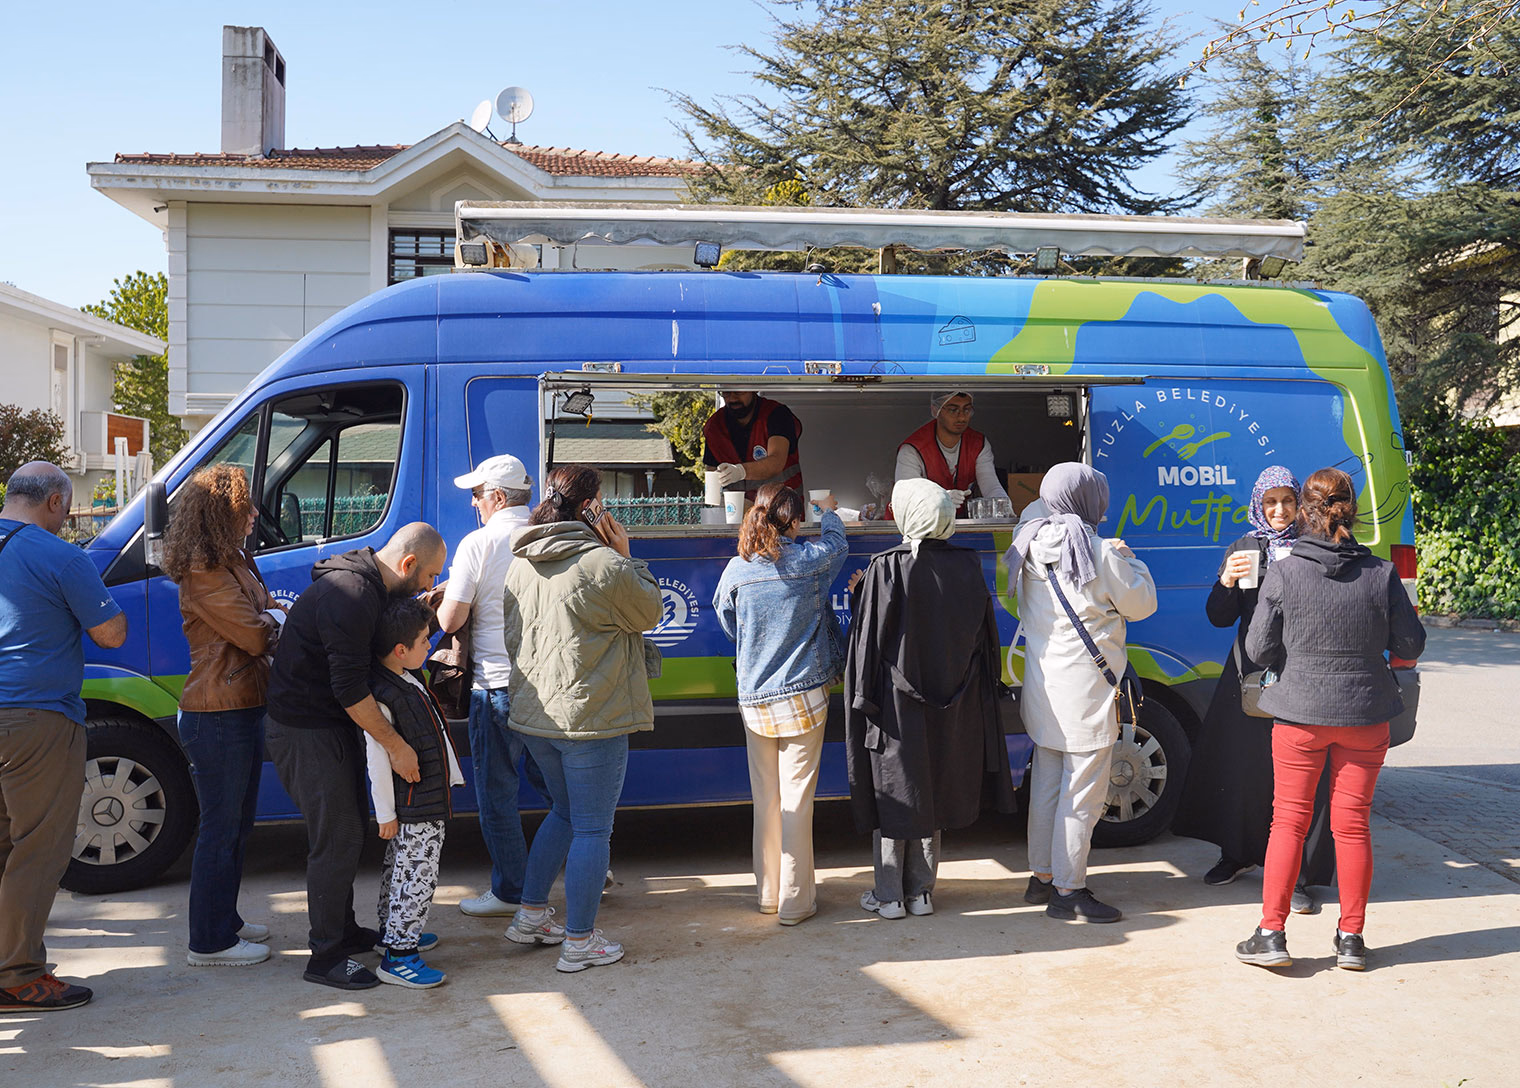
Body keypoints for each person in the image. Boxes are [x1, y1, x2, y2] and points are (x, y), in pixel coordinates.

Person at [1237, 467, 1425, 971]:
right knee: (1354, 825)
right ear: (1351, 510)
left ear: (1305, 511)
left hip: (1298, 716)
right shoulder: (1381, 573)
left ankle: (1272, 933)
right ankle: (1351, 939)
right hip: (1366, 715)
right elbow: (1410, 644)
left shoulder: (1285, 572)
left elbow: (1258, 648)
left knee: (1288, 823)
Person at [265, 522, 447, 990]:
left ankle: (342, 933)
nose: (428, 586)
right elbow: (348, 687)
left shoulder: (367, 586)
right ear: (407, 565)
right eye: (428, 577)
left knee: (346, 834)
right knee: (337, 838)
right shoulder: (351, 594)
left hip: (326, 726)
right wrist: (397, 745)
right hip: (306, 729)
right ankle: (325, 956)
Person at [501, 464, 663, 973]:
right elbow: (650, 611)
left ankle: (530, 917)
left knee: (565, 815)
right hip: (593, 718)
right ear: (592, 507)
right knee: (593, 829)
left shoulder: (521, 561)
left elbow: (510, 637)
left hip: (535, 715)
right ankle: (580, 941)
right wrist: (626, 555)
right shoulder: (603, 564)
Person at [845, 478, 1017, 920]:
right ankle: (921, 892)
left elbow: (870, 642)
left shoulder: (886, 567)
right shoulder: (967, 564)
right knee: (934, 786)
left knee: (896, 791)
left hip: (895, 705)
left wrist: (857, 595)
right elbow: (983, 639)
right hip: (953, 699)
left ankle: (888, 897)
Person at [1172, 467, 1334, 912]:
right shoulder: (1244, 547)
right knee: (1241, 768)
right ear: (1258, 505)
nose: (1280, 511)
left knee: (1298, 774)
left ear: (1300, 502)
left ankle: (1297, 874)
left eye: (1287, 500)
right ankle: (1237, 854)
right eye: (1270, 502)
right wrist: (1225, 582)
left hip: (1302, 672)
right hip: (1248, 675)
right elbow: (1219, 617)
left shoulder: (1313, 546)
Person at [1006, 462, 1157, 924]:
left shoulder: (1029, 542)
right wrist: (1130, 558)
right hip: (1087, 695)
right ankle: (1069, 891)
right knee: (1083, 797)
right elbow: (1143, 603)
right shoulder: (1099, 552)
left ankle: (1043, 877)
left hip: (1044, 688)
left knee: (1047, 787)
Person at [0, 462, 126, 1012]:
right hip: (36, 719)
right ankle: (18, 975)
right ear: (55, 502)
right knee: (37, 848)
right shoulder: (60, 555)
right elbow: (112, 633)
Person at [162, 465, 284, 967]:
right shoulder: (205, 570)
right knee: (220, 827)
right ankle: (208, 942)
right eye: (245, 506)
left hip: (241, 705)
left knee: (238, 825)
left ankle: (224, 920)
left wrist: (270, 618)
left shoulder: (232, 560)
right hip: (217, 713)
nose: (255, 513)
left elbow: (267, 613)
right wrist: (272, 621)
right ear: (219, 513)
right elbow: (256, 634)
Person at [714, 483, 848, 926]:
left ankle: (768, 895)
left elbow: (728, 622)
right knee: (798, 800)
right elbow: (838, 541)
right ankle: (795, 903)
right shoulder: (809, 561)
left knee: (766, 800)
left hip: (754, 699)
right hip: (804, 695)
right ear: (793, 521)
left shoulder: (737, 569)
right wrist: (827, 510)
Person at [434, 453, 542, 918]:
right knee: (559, 785)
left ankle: (511, 891)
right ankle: (589, 863)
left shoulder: (478, 543)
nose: (475, 503)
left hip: (495, 686)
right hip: (546, 685)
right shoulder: (548, 533)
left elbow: (452, 618)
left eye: (478, 495)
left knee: (497, 794)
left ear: (497, 497)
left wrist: (442, 600)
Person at [365, 598, 465, 989]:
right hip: (412, 807)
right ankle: (400, 957)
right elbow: (377, 758)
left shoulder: (406, 679)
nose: (430, 647)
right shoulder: (385, 695)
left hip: (421, 801)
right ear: (400, 650)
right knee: (417, 877)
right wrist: (386, 813)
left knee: (399, 871)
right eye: (425, 641)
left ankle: (392, 934)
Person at [893, 390, 1010, 518]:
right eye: (953, 410)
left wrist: (1004, 505)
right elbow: (905, 496)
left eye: (967, 410)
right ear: (935, 411)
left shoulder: (978, 444)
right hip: (918, 523)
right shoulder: (913, 449)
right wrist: (938, 499)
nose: (961, 417)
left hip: (958, 522)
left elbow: (990, 485)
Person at [703, 390, 804, 498]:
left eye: (739, 392)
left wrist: (740, 471)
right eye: (726, 393)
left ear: (753, 390)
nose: (732, 399)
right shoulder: (715, 426)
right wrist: (715, 502)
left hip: (782, 507)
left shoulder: (776, 414)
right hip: (737, 509)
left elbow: (776, 461)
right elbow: (712, 471)